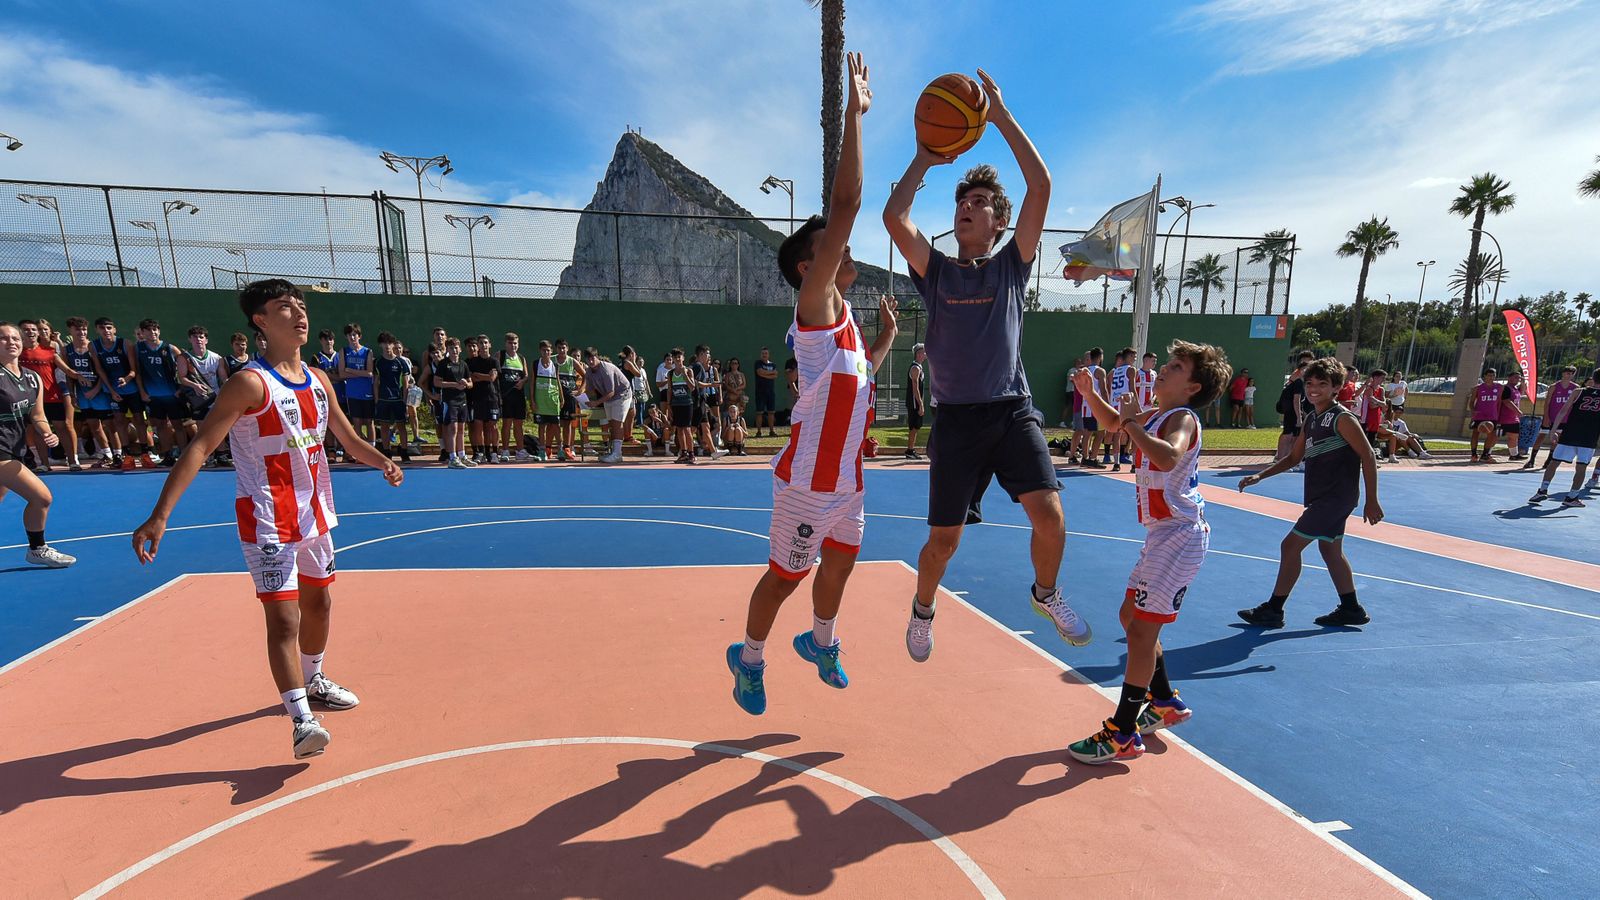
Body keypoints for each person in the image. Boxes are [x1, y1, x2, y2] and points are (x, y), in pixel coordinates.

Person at [132, 279, 403, 760]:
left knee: (320, 607)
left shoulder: (319, 379)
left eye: (300, 306)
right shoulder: (249, 383)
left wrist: (381, 460)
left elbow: (343, 436)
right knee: (284, 619)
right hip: (267, 519)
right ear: (260, 321)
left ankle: (313, 677)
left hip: (316, 515)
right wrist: (160, 515)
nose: (299, 314)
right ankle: (301, 720)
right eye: (284, 307)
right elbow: (200, 446)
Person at [884, 66, 1087, 658]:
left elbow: (1040, 186)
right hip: (957, 421)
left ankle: (1045, 594)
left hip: (1010, 411)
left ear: (999, 222)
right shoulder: (937, 272)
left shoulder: (1011, 267)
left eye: (979, 203)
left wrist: (999, 118)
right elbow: (895, 218)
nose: (967, 208)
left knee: (1049, 516)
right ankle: (924, 609)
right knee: (942, 543)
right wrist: (924, 159)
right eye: (962, 202)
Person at [726, 52, 891, 717]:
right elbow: (847, 202)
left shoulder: (844, 325)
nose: (846, 247)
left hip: (846, 481)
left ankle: (820, 642)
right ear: (808, 263)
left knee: (843, 562)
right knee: (784, 577)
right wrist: (853, 111)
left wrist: (882, 346)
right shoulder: (816, 305)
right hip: (805, 485)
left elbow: (848, 387)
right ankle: (748, 657)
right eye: (833, 245)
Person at [1065, 340, 1231, 764]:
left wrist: (1133, 424)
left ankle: (1122, 731)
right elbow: (1113, 423)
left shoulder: (1182, 419)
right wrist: (1090, 395)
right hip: (1163, 536)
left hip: (1180, 535)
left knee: (1140, 632)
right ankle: (1163, 700)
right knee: (1129, 618)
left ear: (1192, 387)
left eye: (1175, 367)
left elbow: (1167, 456)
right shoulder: (1156, 414)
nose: (1163, 369)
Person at [1237, 357, 1384, 628]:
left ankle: (1274, 609)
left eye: (1322, 384)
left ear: (1336, 387)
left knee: (1290, 546)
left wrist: (1372, 500)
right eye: (1310, 383)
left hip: (1335, 498)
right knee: (1329, 550)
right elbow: (1294, 458)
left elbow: (1368, 456)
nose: (1314, 388)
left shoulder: (1342, 418)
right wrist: (1260, 475)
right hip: (1324, 497)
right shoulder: (1313, 419)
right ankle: (1351, 608)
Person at [0, 321, 76, 567]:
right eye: (3, 338)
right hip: (1, 451)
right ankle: (37, 549)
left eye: (15, 338)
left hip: (16, 448)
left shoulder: (32, 378)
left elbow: (37, 415)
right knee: (41, 497)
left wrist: (47, 433)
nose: (11, 342)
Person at [1528, 367, 1600, 507]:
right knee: (1581, 468)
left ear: (1594, 378)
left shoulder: (1579, 392)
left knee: (1554, 462)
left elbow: (1563, 411)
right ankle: (1571, 497)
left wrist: (1552, 430)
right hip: (1588, 438)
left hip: (1570, 433)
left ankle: (1542, 490)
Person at [17, 320, 80, 472]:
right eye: (26, 329)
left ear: (37, 333)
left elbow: (68, 370)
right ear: (20, 333)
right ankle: (44, 464)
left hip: (53, 397)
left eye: (33, 329)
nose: (30, 332)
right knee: (39, 430)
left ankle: (72, 461)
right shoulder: (16, 353)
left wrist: (81, 376)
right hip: (30, 400)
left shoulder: (49, 351)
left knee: (61, 427)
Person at [135, 319, 194, 467]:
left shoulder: (170, 348)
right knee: (160, 426)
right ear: (142, 333)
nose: (152, 332)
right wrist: (142, 392)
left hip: (172, 395)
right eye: (148, 330)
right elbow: (137, 373)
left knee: (178, 425)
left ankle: (184, 456)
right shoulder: (138, 349)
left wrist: (180, 389)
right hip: (153, 396)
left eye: (155, 329)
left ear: (159, 331)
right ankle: (167, 456)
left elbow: (186, 368)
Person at [93, 317, 147, 470]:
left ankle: (145, 454)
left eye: (109, 328)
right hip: (113, 392)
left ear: (114, 329)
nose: (106, 331)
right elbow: (100, 370)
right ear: (97, 330)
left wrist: (127, 379)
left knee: (139, 421)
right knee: (119, 422)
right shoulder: (94, 346)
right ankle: (127, 456)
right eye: (102, 328)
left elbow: (134, 369)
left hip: (132, 390)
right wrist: (111, 390)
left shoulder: (125, 343)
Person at [62, 317, 117, 467]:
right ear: (71, 330)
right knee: (94, 425)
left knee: (110, 425)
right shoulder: (67, 349)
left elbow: (102, 371)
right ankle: (108, 455)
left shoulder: (93, 347)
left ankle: (119, 454)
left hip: (99, 392)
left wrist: (96, 389)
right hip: (83, 394)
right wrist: (72, 394)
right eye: (78, 329)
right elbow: (69, 374)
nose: (82, 332)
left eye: (84, 329)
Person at [180, 325, 227, 467]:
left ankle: (222, 455)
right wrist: (195, 386)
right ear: (190, 339)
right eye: (195, 337)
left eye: (201, 337)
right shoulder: (184, 358)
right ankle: (208, 456)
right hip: (199, 400)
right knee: (203, 429)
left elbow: (224, 378)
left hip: (216, 398)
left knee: (218, 428)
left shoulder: (216, 358)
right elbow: (182, 378)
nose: (198, 340)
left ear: (206, 340)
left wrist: (229, 386)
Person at [581, 347, 631, 463]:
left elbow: (611, 392)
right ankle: (614, 452)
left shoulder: (606, 369)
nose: (591, 361)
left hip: (622, 394)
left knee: (617, 423)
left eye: (593, 358)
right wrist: (579, 395)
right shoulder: (588, 371)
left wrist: (596, 403)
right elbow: (590, 390)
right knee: (612, 424)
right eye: (588, 359)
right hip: (608, 398)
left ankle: (617, 454)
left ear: (597, 357)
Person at [1524, 366, 1580, 470]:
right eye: (1567, 372)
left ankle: (1549, 460)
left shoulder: (1575, 388)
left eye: (1572, 373)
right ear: (1563, 373)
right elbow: (1547, 403)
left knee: (1556, 439)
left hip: (1564, 419)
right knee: (1540, 437)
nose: (1569, 375)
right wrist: (1546, 416)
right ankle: (1531, 460)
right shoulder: (1554, 386)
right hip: (1551, 417)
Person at [372, 332, 413, 463]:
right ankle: (387, 452)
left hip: (398, 400)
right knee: (384, 426)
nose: (387, 346)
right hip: (383, 399)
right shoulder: (377, 362)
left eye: (389, 343)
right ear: (380, 345)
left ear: (393, 344)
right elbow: (376, 382)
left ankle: (404, 452)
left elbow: (406, 384)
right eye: (384, 343)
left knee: (401, 427)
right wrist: (377, 399)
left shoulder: (401, 362)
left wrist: (405, 402)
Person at [433, 338, 472, 468]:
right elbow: (437, 382)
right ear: (448, 350)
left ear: (460, 349)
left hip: (462, 400)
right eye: (451, 348)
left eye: (456, 348)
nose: (454, 350)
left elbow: (471, 383)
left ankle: (462, 456)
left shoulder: (463, 364)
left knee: (461, 429)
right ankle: (452, 458)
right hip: (449, 401)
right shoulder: (443, 364)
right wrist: (455, 385)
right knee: (452, 429)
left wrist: (466, 384)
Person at [338, 323, 376, 448]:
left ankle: (372, 448)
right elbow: (342, 374)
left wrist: (351, 370)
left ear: (359, 336)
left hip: (367, 392)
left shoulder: (367, 352)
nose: (352, 337)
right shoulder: (343, 352)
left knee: (369, 422)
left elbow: (370, 373)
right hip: (352, 393)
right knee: (357, 422)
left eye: (354, 335)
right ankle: (360, 451)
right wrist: (360, 374)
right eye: (349, 335)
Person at [1275, 351, 1315, 466]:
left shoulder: (1306, 382)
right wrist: (1299, 417)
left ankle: (1292, 460)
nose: (1306, 366)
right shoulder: (1296, 380)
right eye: (1304, 363)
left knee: (1297, 436)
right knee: (1288, 435)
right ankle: (1280, 460)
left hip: (1301, 410)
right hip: (1292, 411)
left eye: (1308, 363)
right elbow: (1295, 399)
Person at [465, 335, 500, 464]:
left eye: (486, 343)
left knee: (493, 426)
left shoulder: (494, 361)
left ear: (489, 344)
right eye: (481, 343)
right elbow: (472, 378)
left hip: (492, 398)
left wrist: (479, 376)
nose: (484, 345)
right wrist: (486, 376)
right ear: (478, 346)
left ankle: (494, 453)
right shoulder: (473, 362)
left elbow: (492, 378)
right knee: (478, 426)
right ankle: (481, 453)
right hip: (477, 398)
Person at [1071, 347, 1108, 469]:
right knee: (1101, 433)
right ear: (1100, 357)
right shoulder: (1100, 371)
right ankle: (1093, 458)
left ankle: (1085, 458)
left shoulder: (1083, 371)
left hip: (1085, 406)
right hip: (1096, 406)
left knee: (1087, 433)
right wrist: (1107, 406)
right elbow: (1103, 389)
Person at [314, 330, 345, 463]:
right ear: (321, 341)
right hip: (324, 396)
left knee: (344, 423)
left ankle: (345, 450)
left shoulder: (340, 356)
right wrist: (334, 377)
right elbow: (317, 376)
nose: (328, 342)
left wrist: (328, 375)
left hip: (341, 394)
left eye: (331, 339)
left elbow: (342, 375)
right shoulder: (316, 357)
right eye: (325, 339)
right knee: (328, 424)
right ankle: (331, 450)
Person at [498, 333, 530, 462]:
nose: (513, 345)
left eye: (515, 343)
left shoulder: (521, 358)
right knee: (506, 423)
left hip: (518, 397)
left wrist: (523, 382)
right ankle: (505, 450)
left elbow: (526, 375)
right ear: (506, 344)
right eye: (510, 343)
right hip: (506, 397)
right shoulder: (500, 356)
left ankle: (520, 450)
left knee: (518, 424)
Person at [666, 348, 698, 464]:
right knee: (679, 429)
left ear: (683, 358)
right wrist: (669, 406)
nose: (678, 359)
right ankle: (683, 453)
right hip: (676, 404)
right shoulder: (670, 374)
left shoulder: (689, 371)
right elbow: (669, 390)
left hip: (687, 404)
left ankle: (691, 454)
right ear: (673, 360)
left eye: (680, 357)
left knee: (687, 429)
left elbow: (692, 387)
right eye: (675, 357)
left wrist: (685, 374)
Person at [1108, 347, 1136, 470]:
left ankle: (1116, 463)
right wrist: (1137, 406)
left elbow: (1110, 388)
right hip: (1126, 404)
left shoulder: (1113, 372)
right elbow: (1132, 389)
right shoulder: (1130, 370)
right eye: (1133, 357)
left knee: (1117, 434)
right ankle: (1135, 464)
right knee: (1134, 433)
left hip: (1114, 404)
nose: (1134, 359)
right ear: (1129, 357)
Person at [1468, 368, 1503, 463]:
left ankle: (1485, 454)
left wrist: (1498, 415)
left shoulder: (1499, 387)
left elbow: (1499, 402)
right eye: (1489, 375)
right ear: (1485, 376)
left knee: (1491, 435)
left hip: (1492, 415)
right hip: (1479, 415)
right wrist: (1473, 411)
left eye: (1493, 376)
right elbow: (1471, 402)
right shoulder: (1477, 388)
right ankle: (1474, 454)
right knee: (1475, 433)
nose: (1491, 377)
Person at [1497, 371, 1525, 462]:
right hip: (1505, 417)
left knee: (1514, 436)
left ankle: (1514, 455)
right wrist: (1517, 411)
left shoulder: (1515, 389)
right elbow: (1506, 401)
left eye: (1519, 378)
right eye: (1515, 377)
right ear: (1509, 378)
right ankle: (1487, 453)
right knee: (1495, 436)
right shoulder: (1506, 388)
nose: (1517, 379)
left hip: (1514, 418)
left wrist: (1523, 382)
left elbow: (1523, 391)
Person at [905, 343, 927, 460]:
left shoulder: (919, 368)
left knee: (916, 426)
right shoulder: (915, 368)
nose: (925, 354)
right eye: (924, 352)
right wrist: (920, 404)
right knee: (914, 426)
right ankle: (910, 450)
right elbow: (915, 388)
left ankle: (910, 449)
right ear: (918, 354)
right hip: (914, 402)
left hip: (916, 402)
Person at [752, 347, 778, 437]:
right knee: (759, 412)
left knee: (771, 412)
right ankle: (759, 432)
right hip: (760, 392)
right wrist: (770, 373)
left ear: (768, 354)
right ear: (761, 354)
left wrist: (764, 374)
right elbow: (759, 372)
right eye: (763, 353)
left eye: (766, 353)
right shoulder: (758, 363)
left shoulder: (773, 365)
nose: (764, 355)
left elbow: (775, 375)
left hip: (770, 392)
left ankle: (771, 431)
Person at [722, 357, 747, 434]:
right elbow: (726, 385)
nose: (734, 365)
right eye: (732, 363)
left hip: (740, 396)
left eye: (736, 363)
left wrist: (738, 388)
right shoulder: (728, 375)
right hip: (731, 396)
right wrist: (733, 390)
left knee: (740, 411)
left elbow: (744, 384)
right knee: (731, 411)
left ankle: (740, 427)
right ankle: (730, 427)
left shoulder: (741, 374)